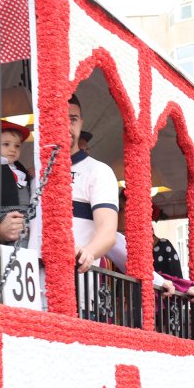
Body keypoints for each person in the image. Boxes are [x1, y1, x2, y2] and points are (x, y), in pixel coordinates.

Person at [68, 95, 117, 272]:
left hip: (78, 284)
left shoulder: (98, 171)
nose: (66, 125)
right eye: (59, 117)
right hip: (31, 288)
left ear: (81, 123)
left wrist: (88, 252)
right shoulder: (34, 170)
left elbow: (108, 231)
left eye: (72, 119)